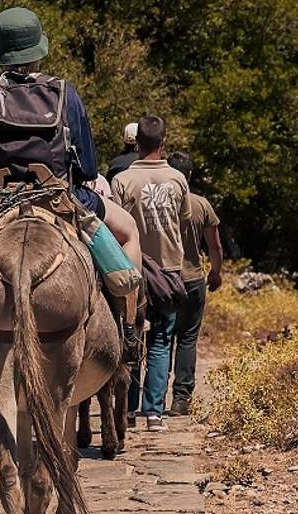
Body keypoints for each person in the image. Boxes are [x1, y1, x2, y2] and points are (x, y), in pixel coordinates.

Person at [0, 6, 141, 298]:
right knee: (129, 229)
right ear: (38, 49)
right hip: (59, 198)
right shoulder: (65, 93)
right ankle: (129, 321)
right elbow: (88, 169)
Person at [111, 115, 190, 432]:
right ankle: (154, 412)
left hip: (132, 270)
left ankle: (127, 411)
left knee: (131, 338)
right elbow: (182, 223)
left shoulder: (123, 180)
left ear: (137, 143)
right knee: (161, 340)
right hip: (169, 268)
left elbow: (114, 227)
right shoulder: (177, 180)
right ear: (163, 142)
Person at [167, 151, 223, 416]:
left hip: (163, 278)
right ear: (189, 175)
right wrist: (216, 272)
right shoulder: (202, 204)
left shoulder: (160, 203)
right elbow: (215, 245)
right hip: (192, 277)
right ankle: (181, 398)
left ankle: (152, 398)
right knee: (187, 338)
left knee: (161, 338)